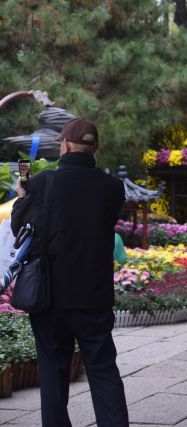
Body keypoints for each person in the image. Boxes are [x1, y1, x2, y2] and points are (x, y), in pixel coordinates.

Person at [11, 118, 129, 426]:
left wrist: (23, 199)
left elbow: (18, 231)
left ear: (63, 145)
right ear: (96, 148)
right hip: (94, 297)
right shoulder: (113, 188)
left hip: (50, 296)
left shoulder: (43, 183)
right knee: (103, 369)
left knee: (53, 372)